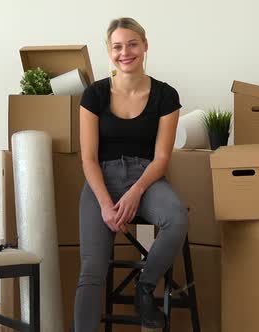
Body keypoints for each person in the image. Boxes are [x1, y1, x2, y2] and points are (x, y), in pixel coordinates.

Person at [73, 17, 188, 331]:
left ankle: (145, 287)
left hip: (146, 178)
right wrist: (105, 205)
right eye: (118, 46)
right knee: (92, 270)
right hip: (102, 180)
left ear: (145, 46)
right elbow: (89, 159)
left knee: (177, 217)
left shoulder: (166, 96)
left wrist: (136, 191)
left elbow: (162, 158)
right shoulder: (94, 96)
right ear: (109, 52)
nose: (126, 52)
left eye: (133, 44)